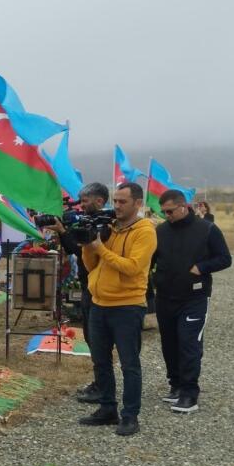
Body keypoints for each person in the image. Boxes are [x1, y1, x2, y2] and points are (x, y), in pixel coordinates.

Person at [77, 182, 157, 437]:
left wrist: (101, 249)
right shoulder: (108, 227)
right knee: (100, 361)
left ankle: (130, 415)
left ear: (137, 203)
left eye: (123, 202)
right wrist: (89, 245)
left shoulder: (145, 231)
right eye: (116, 201)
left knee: (129, 363)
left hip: (127, 306)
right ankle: (107, 408)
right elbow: (91, 266)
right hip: (99, 304)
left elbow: (133, 267)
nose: (117, 206)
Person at [151, 190, 232, 414]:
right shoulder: (160, 231)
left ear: (183, 206)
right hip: (166, 296)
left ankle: (189, 392)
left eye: (170, 211)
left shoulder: (207, 229)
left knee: (189, 342)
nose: (166, 215)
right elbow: (150, 260)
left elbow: (225, 258)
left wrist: (202, 267)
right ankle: (175, 384)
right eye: (163, 212)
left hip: (194, 297)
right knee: (169, 342)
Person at [46, 183, 110, 403]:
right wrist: (65, 232)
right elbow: (77, 249)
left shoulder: (107, 225)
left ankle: (105, 387)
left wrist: (65, 232)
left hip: (103, 290)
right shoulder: (85, 222)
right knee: (93, 340)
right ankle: (101, 383)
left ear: (99, 201)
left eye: (84, 202)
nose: (81, 206)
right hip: (87, 288)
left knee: (102, 342)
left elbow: (86, 250)